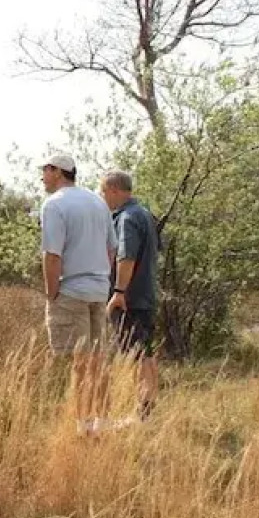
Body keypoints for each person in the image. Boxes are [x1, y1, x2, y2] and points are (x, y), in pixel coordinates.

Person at [39, 154, 115, 435]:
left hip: (72, 289)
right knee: (98, 357)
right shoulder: (98, 201)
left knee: (80, 361)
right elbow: (111, 248)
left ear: (59, 172)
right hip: (99, 288)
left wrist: (52, 294)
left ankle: (84, 426)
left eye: (46, 170)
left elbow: (52, 255)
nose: (42, 176)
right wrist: (101, 276)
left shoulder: (54, 204)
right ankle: (102, 421)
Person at [101, 169, 160, 421]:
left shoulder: (126, 218)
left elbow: (127, 256)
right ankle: (148, 409)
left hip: (131, 299)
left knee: (137, 355)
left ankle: (143, 413)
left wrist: (118, 292)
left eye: (103, 192)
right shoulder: (145, 214)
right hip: (145, 295)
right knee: (144, 353)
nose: (102, 198)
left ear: (114, 190)